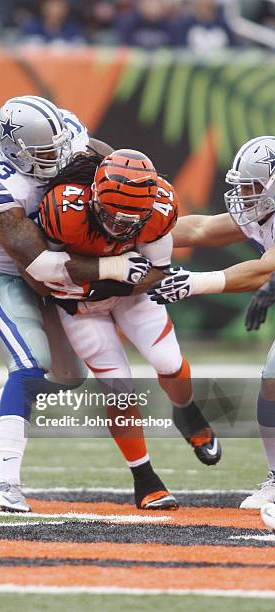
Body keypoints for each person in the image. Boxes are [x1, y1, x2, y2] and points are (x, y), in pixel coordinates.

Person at [0, 94, 148, 512]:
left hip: (62, 265)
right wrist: (113, 268)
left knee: (68, 377)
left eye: (60, 147)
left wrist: (125, 184)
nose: (58, 160)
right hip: (7, 275)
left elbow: (103, 157)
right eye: (45, 154)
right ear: (15, 152)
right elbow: (36, 263)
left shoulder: (69, 131)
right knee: (28, 366)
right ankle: (6, 485)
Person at [32, 148, 221, 510]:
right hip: (82, 307)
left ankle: (188, 412)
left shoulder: (160, 209)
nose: (119, 226)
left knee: (168, 361)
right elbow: (43, 271)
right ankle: (144, 478)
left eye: (130, 220)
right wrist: (112, 269)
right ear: (92, 197)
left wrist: (110, 279)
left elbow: (157, 271)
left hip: (130, 296)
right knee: (119, 387)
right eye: (111, 216)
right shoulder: (63, 209)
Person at [148, 135, 275, 509]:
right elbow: (200, 229)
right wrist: (135, 233)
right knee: (271, 381)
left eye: (252, 187)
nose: (245, 195)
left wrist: (194, 283)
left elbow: (263, 270)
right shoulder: (262, 211)